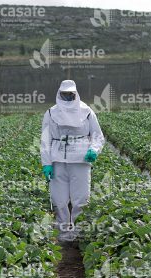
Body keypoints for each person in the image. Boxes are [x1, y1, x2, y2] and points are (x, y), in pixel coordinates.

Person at [40, 80, 105, 242]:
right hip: (58, 160)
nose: (68, 98)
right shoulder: (50, 113)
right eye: (65, 94)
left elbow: (98, 136)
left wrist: (93, 150)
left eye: (70, 94)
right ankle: (63, 233)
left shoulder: (87, 111)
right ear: (59, 94)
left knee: (81, 199)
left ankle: (78, 234)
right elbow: (45, 140)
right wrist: (46, 163)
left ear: (75, 94)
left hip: (80, 159)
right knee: (59, 199)